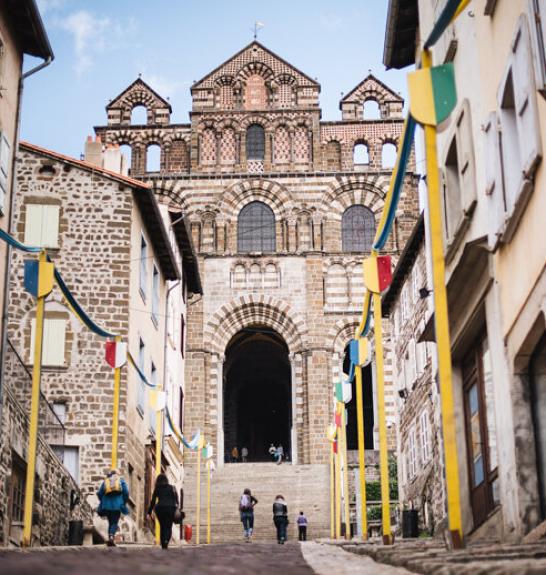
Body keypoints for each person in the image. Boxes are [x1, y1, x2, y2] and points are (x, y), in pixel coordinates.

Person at [97, 469, 129, 547]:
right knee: (114, 522)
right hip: (117, 505)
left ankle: (110, 539)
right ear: (117, 474)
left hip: (107, 506)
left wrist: (103, 501)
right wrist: (124, 502)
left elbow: (99, 493)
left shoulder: (106, 481)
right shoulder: (121, 481)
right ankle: (111, 537)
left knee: (110, 522)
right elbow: (126, 492)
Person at [146, 473, 179, 549]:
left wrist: (149, 512)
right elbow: (177, 500)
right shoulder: (172, 488)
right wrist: (178, 508)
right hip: (171, 508)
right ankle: (166, 540)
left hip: (160, 509)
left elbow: (153, 501)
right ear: (166, 480)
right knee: (168, 526)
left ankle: (163, 543)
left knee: (162, 526)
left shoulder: (157, 488)